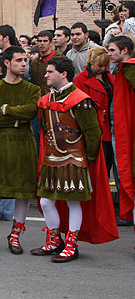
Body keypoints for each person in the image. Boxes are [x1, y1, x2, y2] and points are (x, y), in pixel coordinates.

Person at [30, 55, 118, 262]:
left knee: (73, 203)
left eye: (50, 71)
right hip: (52, 159)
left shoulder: (81, 100)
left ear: (63, 73)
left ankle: (71, 244)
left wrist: (88, 159)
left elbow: (93, 133)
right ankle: (54, 240)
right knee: (46, 202)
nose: (46, 75)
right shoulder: (46, 101)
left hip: (75, 160)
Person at [0, 46, 41, 258]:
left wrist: (4, 110)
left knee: (22, 194)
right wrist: (15, 119)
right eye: (19, 60)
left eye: (25, 60)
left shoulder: (32, 89)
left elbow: (31, 112)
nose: (24, 64)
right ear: (7, 63)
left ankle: (15, 236)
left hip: (24, 145)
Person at [73, 47, 116, 199]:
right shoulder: (81, 79)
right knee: (97, 169)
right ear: (91, 62)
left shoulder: (109, 78)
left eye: (105, 66)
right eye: (100, 66)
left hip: (109, 126)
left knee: (109, 166)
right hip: (95, 127)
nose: (102, 69)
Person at [107, 35, 135, 229]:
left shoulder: (130, 68)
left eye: (112, 50)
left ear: (124, 51)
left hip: (127, 130)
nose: (109, 54)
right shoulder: (121, 70)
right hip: (119, 126)